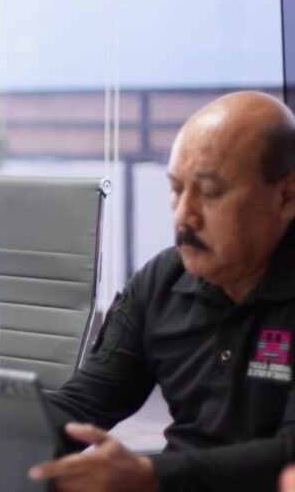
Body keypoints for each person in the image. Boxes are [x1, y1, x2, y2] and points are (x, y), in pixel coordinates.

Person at [30, 91, 295, 492]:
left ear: (286, 197)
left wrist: (152, 475)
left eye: (210, 193)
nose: (184, 215)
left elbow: (289, 455)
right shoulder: (164, 281)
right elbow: (84, 404)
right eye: (176, 189)